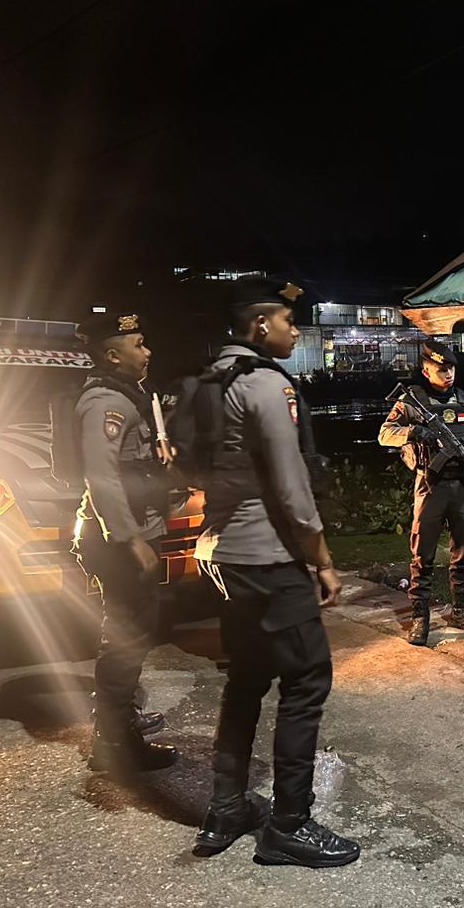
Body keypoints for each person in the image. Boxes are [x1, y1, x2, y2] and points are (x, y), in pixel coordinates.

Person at [193, 277, 359, 868]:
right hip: (266, 555)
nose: (295, 329)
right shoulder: (265, 383)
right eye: (289, 320)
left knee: (246, 678)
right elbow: (291, 488)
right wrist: (322, 559)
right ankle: (289, 824)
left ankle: (226, 807)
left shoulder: (209, 382)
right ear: (261, 324)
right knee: (307, 679)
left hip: (222, 554)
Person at [72, 311, 178, 773]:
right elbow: (101, 477)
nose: (147, 351)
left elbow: (132, 468)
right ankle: (115, 745)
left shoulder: (129, 396)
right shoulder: (105, 404)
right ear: (113, 355)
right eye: (138, 344)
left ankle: (119, 720)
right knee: (125, 637)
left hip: (133, 530)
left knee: (130, 633)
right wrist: (129, 538)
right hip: (120, 540)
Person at [378, 339, 464, 646]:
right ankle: (419, 616)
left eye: (451, 368)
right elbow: (384, 434)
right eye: (441, 369)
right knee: (422, 555)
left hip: (461, 485)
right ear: (426, 371)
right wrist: (414, 431)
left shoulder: (462, 399)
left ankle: (460, 610)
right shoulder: (412, 400)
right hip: (430, 485)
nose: (448, 374)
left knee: (463, 552)